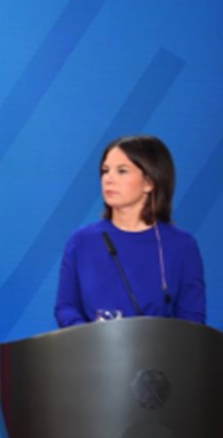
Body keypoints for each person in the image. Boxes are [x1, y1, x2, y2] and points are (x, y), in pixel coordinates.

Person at [54, 135, 205, 327]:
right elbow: (66, 308)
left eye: (122, 171)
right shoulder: (82, 240)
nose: (108, 179)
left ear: (149, 182)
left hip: (160, 354)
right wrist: (90, 338)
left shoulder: (182, 245)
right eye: (105, 171)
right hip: (92, 353)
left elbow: (192, 319)